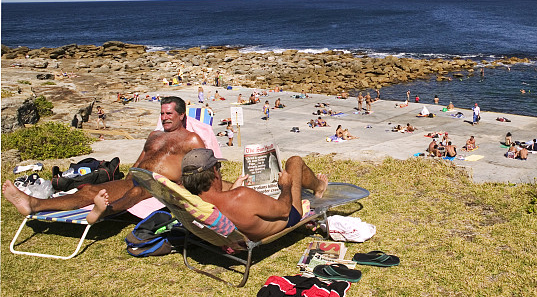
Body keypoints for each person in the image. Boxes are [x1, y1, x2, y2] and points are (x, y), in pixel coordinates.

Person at [2, 97, 208, 224]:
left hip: (161, 185)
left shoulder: (192, 139)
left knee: (136, 193)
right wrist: (128, 177)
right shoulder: (155, 135)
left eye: (169, 113)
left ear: (182, 115)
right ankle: (34, 204)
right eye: (162, 113)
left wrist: (182, 187)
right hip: (136, 179)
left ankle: (103, 211)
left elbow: (204, 168)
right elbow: (141, 160)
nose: (164, 117)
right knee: (91, 190)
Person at [179, 149, 328, 241]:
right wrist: (286, 186)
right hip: (288, 216)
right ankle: (320, 187)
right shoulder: (241, 196)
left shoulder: (193, 200)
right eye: (218, 167)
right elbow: (284, 210)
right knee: (294, 161)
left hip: (244, 221)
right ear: (214, 172)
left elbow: (228, 203)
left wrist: (233, 189)